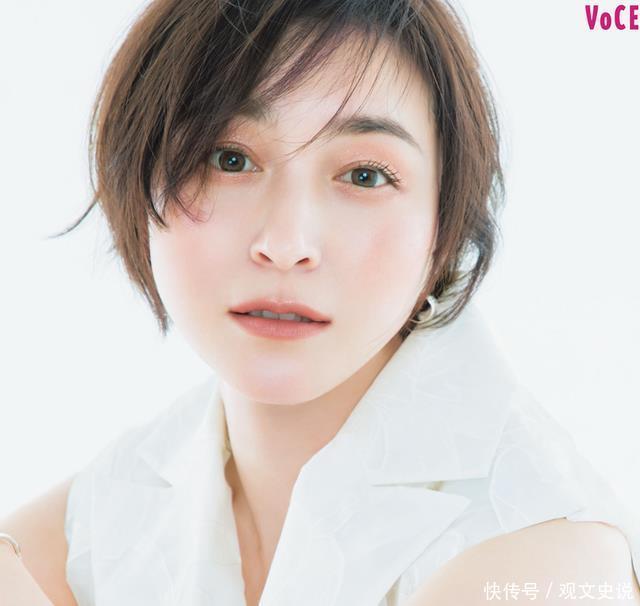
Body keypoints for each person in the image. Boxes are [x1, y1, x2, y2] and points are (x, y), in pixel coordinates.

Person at [1, 0, 639, 604]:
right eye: (229, 159)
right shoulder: (107, 510)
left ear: (442, 223)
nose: (286, 245)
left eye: (364, 175)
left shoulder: (543, 554)